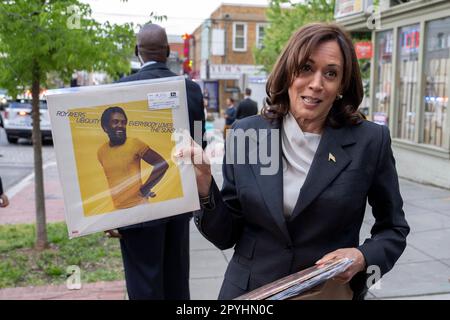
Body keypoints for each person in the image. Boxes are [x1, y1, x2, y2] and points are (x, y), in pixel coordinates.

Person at [190, 23, 409, 300]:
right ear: (287, 72)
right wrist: (204, 188)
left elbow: (394, 228)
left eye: (330, 73)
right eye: (306, 68)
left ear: (342, 84)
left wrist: (363, 257)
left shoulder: (370, 141)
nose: (316, 84)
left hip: (326, 293)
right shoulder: (247, 133)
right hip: (250, 291)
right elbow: (226, 234)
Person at [106, 23, 205, 300]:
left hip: (135, 209)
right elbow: (199, 145)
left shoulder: (118, 89)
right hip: (177, 201)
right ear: (167, 52)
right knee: (176, 280)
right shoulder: (191, 90)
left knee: (142, 283)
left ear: (137, 51)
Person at [98, 106, 168, 209]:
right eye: (115, 122)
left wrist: (144, 189)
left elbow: (162, 164)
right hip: (118, 209)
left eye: (123, 122)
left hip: (139, 206)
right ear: (105, 127)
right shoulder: (101, 151)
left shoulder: (134, 143)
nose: (121, 125)